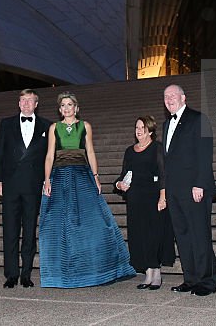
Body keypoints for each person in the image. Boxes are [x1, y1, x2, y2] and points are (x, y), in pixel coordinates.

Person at [39, 91, 134, 288]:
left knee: (92, 220)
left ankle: (98, 268)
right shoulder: (53, 128)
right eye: (63, 105)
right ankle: (61, 273)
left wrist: (96, 177)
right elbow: (49, 155)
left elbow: (90, 151)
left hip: (82, 176)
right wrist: (46, 180)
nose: (66, 108)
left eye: (70, 105)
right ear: (59, 109)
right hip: (59, 177)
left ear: (76, 108)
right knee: (60, 223)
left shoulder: (85, 126)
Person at [161, 84, 216, 296]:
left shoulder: (198, 119)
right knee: (183, 236)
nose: (169, 99)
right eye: (166, 97)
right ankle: (191, 278)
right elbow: (168, 161)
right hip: (175, 191)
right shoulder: (167, 124)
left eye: (173, 95)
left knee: (199, 235)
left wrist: (200, 184)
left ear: (183, 98)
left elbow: (204, 154)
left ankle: (207, 281)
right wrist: (166, 190)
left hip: (195, 189)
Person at [0, 89, 52, 288]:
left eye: (30, 101)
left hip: (33, 186)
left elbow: (50, 157)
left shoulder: (47, 125)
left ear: (36, 104)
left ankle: (26, 274)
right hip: (10, 185)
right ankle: (11, 274)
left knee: (29, 232)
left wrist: (47, 180)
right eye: (23, 101)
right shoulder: (6, 124)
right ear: (19, 104)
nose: (26, 104)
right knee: (10, 231)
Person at [115, 115, 175, 289]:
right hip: (135, 199)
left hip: (153, 197)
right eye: (136, 128)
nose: (138, 131)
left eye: (142, 128)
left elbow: (164, 175)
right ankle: (148, 274)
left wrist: (163, 197)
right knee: (139, 235)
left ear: (150, 131)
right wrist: (119, 184)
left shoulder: (157, 148)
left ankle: (156, 274)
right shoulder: (129, 151)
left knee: (154, 235)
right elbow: (124, 174)